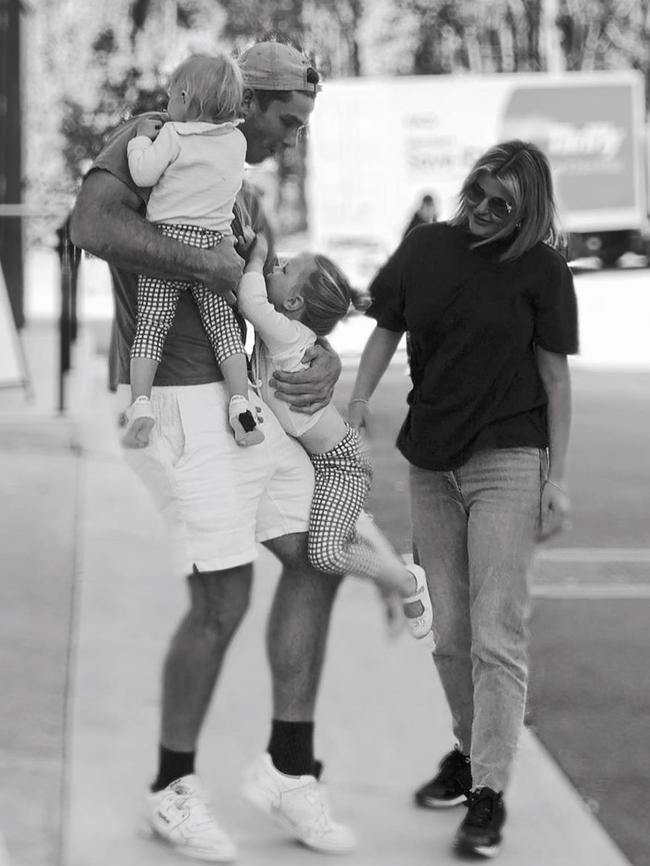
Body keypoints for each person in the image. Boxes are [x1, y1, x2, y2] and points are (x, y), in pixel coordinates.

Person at [70, 41, 358, 861]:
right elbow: (90, 224)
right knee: (224, 598)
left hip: (235, 402)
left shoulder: (242, 194)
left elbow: (267, 300)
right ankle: (172, 791)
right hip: (167, 405)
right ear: (253, 103)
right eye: (289, 122)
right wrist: (205, 260)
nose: (294, 139)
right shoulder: (158, 133)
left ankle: (289, 771)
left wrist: (320, 351)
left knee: (318, 552)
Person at [349, 140, 578, 859]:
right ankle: (468, 752)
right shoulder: (427, 248)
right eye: (476, 192)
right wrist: (355, 401)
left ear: (527, 210)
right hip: (430, 461)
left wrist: (557, 478)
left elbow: (556, 380)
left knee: (496, 632)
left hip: (509, 460)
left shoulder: (541, 267)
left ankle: (489, 795)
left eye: (500, 204)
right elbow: (385, 326)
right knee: (448, 632)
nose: (480, 210)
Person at [237, 231, 434, 637]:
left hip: (342, 463)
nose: (276, 265)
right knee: (340, 533)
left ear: (293, 303)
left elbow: (250, 301)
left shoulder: (287, 334)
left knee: (326, 552)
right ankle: (393, 578)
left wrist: (254, 260)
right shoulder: (285, 332)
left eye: (285, 268)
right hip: (325, 458)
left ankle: (404, 580)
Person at [124, 53, 263, 449]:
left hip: (169, 244)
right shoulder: (237, 141)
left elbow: (143, 173)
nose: (167, 105)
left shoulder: (173, 135)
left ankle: (141, 405)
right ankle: (241, 403)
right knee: (223, 329)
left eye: (170, 98)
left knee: (151, 327)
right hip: (213, 245)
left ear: (184, 97)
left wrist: (139, 141)